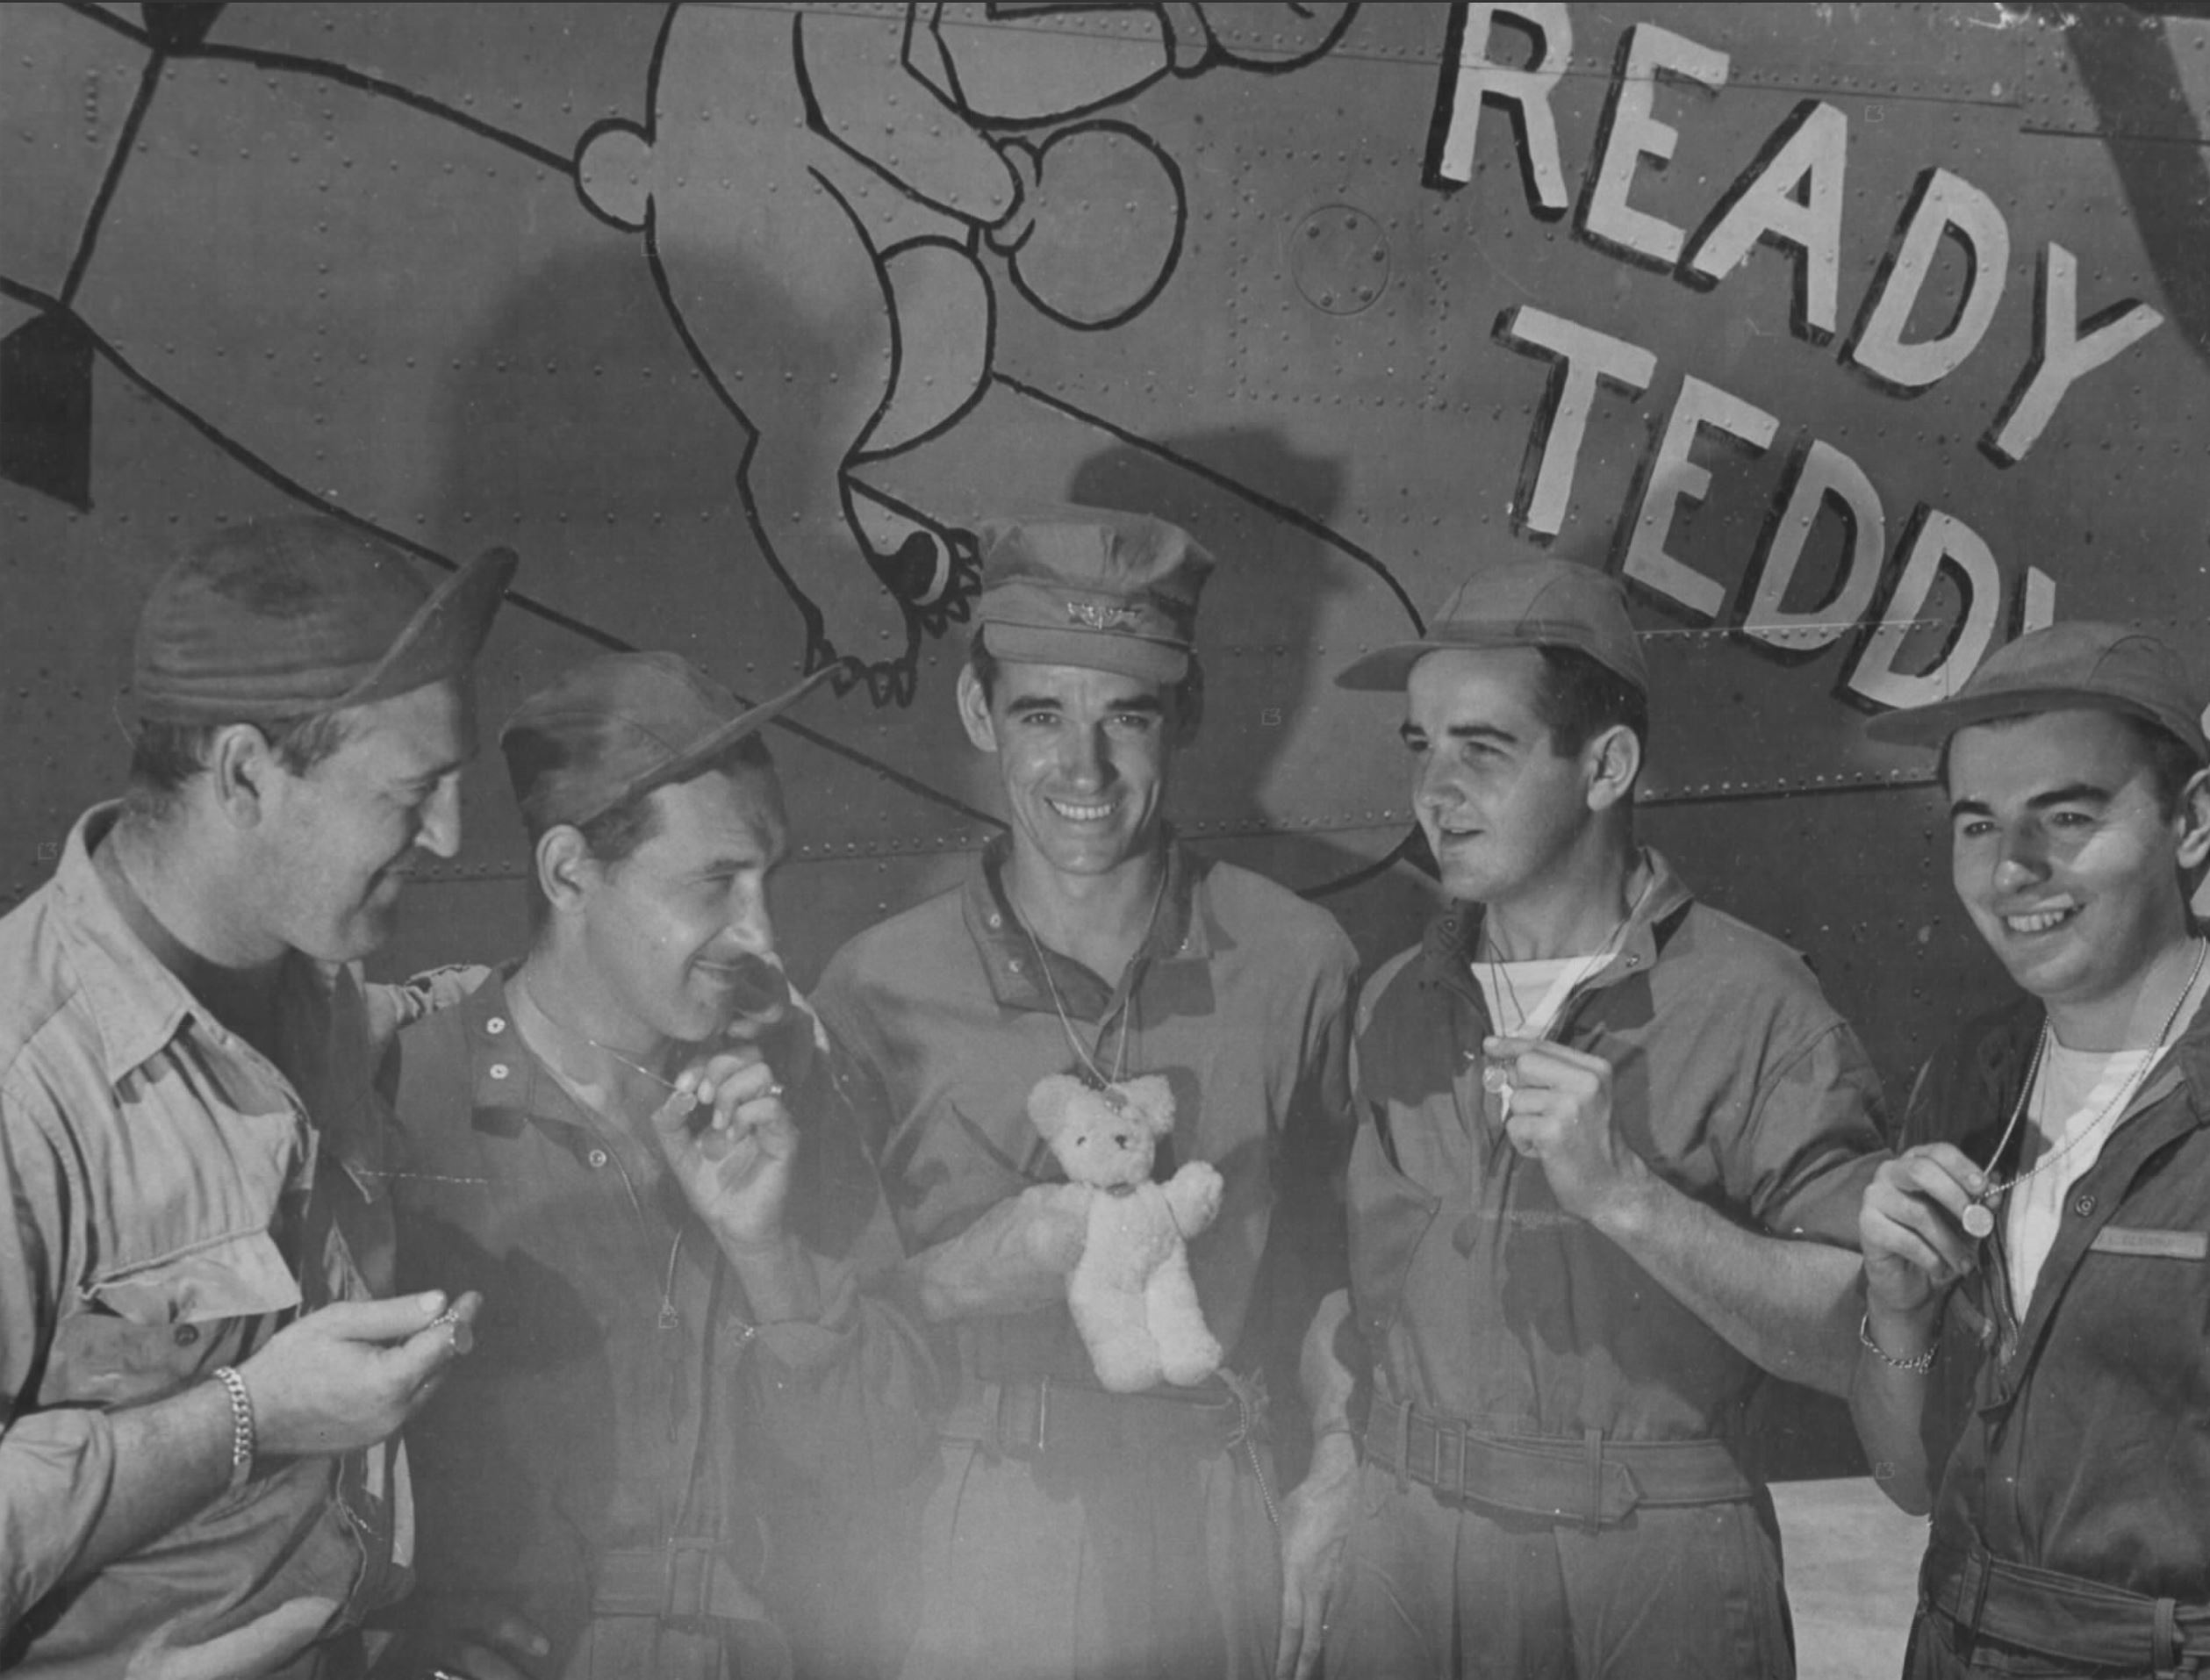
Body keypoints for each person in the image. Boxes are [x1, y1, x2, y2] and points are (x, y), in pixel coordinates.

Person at [1281, 555, 1888, 1680]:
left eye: (1483, 749)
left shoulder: (1755, 1007)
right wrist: (1332, 1466)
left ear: (1605, 766)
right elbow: (1343, 1295)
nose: (1434, 792)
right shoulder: (1394, 1004)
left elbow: (1861, 1336)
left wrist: (1627, 1199)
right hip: (1406, 1560)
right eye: (1420, 746)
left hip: (1649, 1575)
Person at [810, 506, 1360, 1680]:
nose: (1084, 768)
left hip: (1216, 1516)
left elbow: (1347, 1262)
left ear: (1185, 717)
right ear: (978, 714)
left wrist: (1338, 1466)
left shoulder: (1295, 961)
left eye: (1127, 717)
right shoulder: (878, 986)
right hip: (975, 1525)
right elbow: (823, 1331)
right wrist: (959, 1277)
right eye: (1040, 715)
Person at [0, 517, 513, 1677]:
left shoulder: (321, 994)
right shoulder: (24, 1085)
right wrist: (248, 1415)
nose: (450, 835)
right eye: (413, 790)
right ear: (243, 774)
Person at [380, 652, 944, 1680]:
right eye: (714, 884)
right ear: (568, 874)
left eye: (765, 880)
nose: (760, 932)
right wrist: (391, 1641)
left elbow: (887, 1455)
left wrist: (768, 1258)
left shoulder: (785, 1097)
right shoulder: (409, 1100)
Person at [1852, 621, 2210, 1679]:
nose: (2012, 868)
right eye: (1978, 824)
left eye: (2066, 816)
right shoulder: (1967, 1081)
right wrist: (1895, 1312)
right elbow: (1910, 1480)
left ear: (2192, 824)